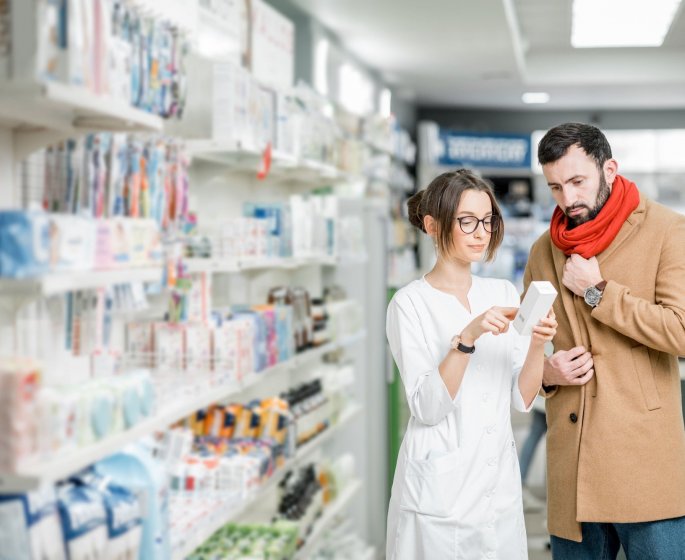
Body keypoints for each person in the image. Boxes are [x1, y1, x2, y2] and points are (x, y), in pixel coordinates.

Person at [524, 122, 685, 559]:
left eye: (578, 181)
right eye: (555, 187)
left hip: (643, 459)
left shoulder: (667, 231)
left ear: (609, 168)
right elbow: (524, 346)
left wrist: (599, 293)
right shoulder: (543, 251)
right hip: (572, 462)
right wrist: (545, 372)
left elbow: (681, 330)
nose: (568, 199)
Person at [385, 169, 557, 560]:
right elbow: (428, 408)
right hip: (439, 494)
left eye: (487, 220)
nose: (481, 232)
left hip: (497, 490)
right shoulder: (409, 303)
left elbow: (521, 397)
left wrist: (537, 345)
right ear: (432, 225)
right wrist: (466, 340)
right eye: (467, 221)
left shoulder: (500, 291)